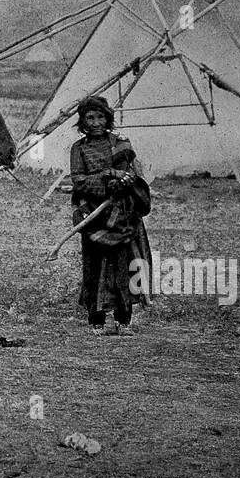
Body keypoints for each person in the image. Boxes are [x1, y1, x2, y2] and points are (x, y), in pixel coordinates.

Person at [69, 95, 153, 334]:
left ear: (108, 118)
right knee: (95, 267)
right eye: (90, 117)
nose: (96, 122)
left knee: (126, 266)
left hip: (123, 213)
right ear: (82, 122)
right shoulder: (79, 148)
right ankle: (96, 321)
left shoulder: (121, 143)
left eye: (100, 116)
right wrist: (108, 178)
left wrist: (124, 182)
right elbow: (79, 180)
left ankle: (123, 320)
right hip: (95, 215)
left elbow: (134, 173)